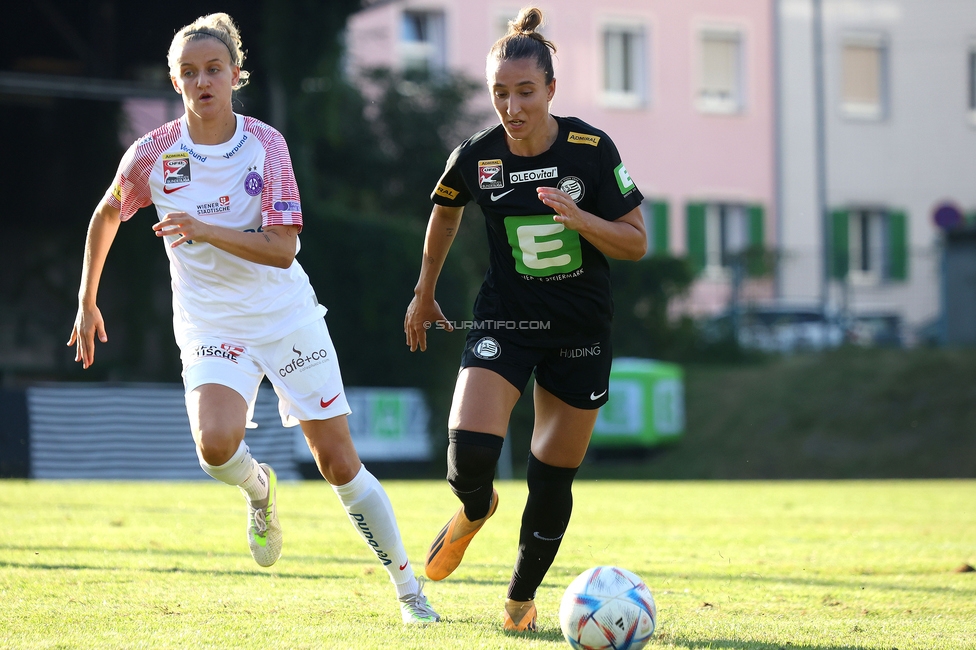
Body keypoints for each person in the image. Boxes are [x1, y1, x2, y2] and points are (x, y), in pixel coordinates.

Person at [68, 13, 438, 625]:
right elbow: (107, 215)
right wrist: (87, 300)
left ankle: (409, 593)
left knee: (338, 462)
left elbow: (284, 247)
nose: (202, 81)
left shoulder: (265, 145)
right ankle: (259, 490)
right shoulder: (152, 154)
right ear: (174, 80)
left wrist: (204, 229)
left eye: (214, 69)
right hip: (211, 323)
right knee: (215, 447)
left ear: (236, 76)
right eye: (189, 72)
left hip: (283, 312)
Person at [403, 6, 647, 633]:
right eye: (500, 93)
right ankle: (475, 509)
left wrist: (582, 219)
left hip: (580, 333)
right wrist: (424, 291)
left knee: (550, 476)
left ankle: (519, 602)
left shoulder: (592, 151)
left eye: (525, 92)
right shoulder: (477, 156)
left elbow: (636, 242)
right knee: (469, 454)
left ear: (551, 90)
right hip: (505, 322)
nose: (512, 107)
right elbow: (446, 211)